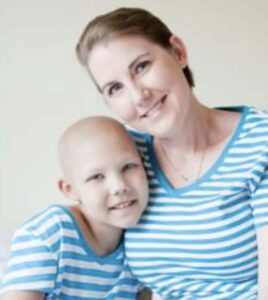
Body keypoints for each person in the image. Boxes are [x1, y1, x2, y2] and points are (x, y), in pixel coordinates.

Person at [75, 7, 268, 300]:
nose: (139, 96)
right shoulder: (127, 157)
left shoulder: (259, 143)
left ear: (178, 52)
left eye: (141, 67)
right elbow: (83, 244)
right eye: (115, 88)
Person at [0, 116, 150, 299]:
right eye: (96, 177)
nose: (119, 186)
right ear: (70, 189)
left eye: (128, 166)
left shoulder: (145, 242)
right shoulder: (49, 234)